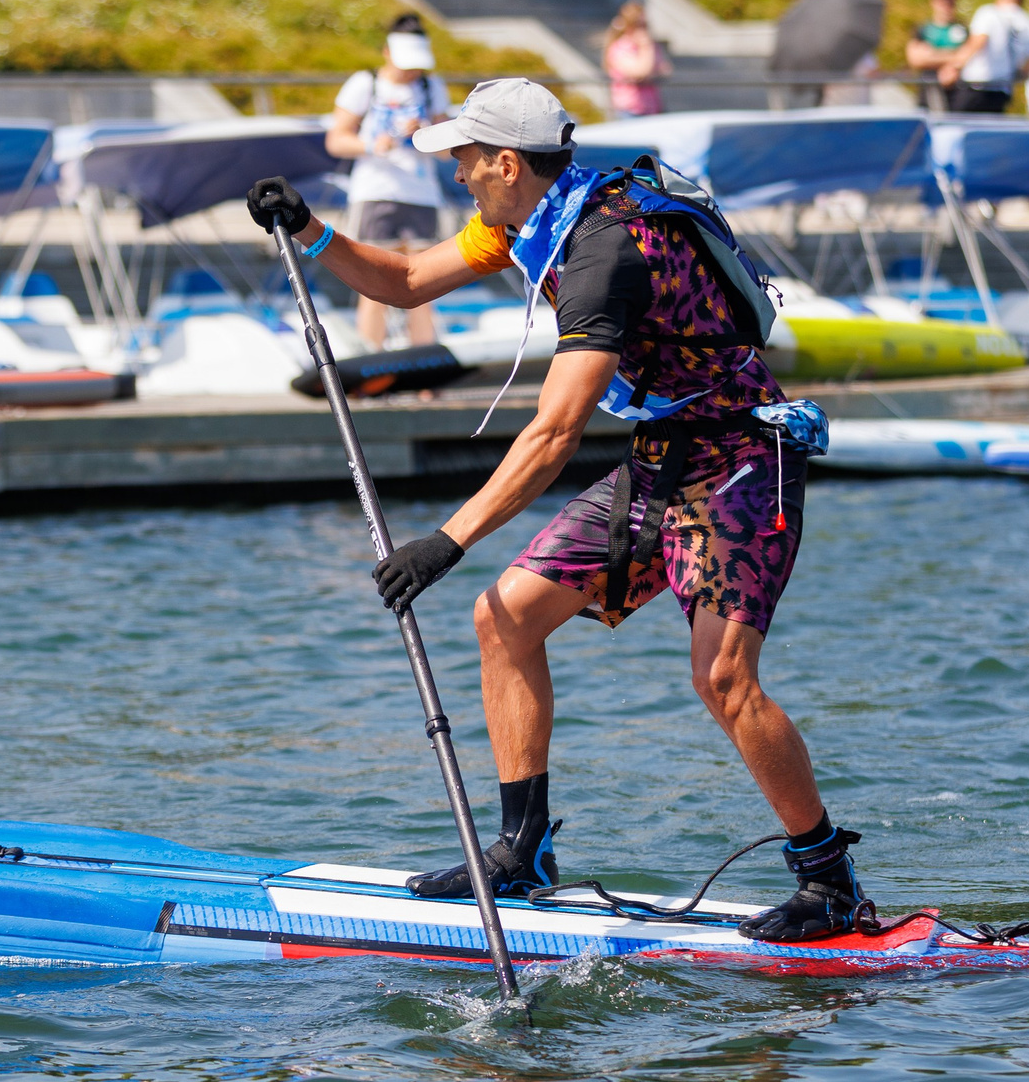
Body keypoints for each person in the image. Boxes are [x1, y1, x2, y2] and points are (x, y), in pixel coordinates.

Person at [245, 79, 869, 944]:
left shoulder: (605, 250)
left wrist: (447, 539)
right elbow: (405, 279)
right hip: (660, 460)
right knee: (504, 618)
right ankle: (521, 849)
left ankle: (828, 881)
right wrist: (310, 231)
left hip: (738, 462)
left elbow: (554, 432)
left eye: (466, 160)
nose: (459, 175)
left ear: (507, 162)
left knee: (723, 679)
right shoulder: (528, 218)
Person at [328, 13, 453, 349]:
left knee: (425, 285)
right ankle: (372, 366)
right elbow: (336, 139)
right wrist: (372, 145)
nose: (412, 72)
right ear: (387, 52)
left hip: (421, 195)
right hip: (375, 193)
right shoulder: (364, 83)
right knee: (373, 286)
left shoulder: (430, 87)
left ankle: (424, 371)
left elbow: (447, 151)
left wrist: (425, 131)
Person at [951, 0, 1029, 114]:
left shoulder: (989, 12)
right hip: (1003, 89)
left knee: (957, 126)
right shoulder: (1027, 22)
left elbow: (978, 42)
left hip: (978, 85)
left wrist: (955, 66)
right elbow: (1028, 63)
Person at [903, 0, 969, 113]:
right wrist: (953, 56)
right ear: (934, 1)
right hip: (928, 89)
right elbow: (915, 59)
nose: (947, 5)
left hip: (957, 94)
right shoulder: (923, 29)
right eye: (943, 0)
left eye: (951, 1)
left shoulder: (963, 29)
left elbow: (968, 56)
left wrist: (933, 55)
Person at [603, 1, 670, 117]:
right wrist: (646, 47)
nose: (644, 30)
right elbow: (641, 72)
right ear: (630, 26)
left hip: (652, 108)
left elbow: (666, 70)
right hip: (631, 110)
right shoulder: (620, 48)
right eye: (640, 25)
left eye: (645, 25)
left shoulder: (651, 46)